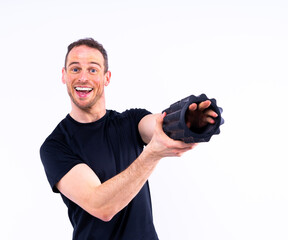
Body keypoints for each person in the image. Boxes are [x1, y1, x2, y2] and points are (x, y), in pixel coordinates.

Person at [40, 38, 218, 240]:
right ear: (64, 76)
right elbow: (101, 206)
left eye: (93, 70)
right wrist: (151, 155)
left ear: (106, 77)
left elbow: (161, 127)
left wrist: (189, 121)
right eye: (75, 69)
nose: (83, 78)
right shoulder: (56, 146)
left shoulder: (131, 121)